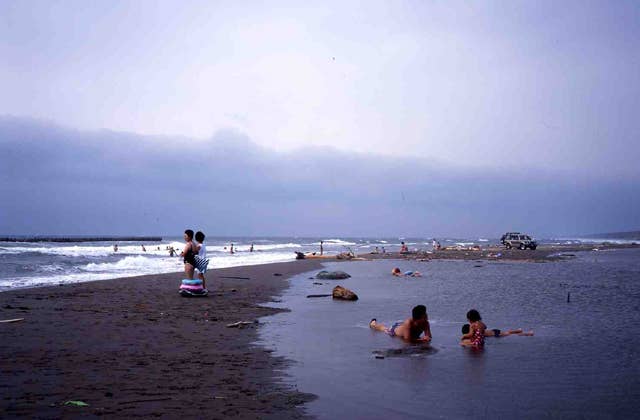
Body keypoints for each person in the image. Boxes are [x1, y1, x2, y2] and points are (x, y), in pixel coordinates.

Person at [461, 324, 534, 338]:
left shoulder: (476, 333)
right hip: (493, 331)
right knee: (508, 332)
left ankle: (528, 333)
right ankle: (518, 330)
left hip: (495, 334)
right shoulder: (477, 330)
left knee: (510, 334)